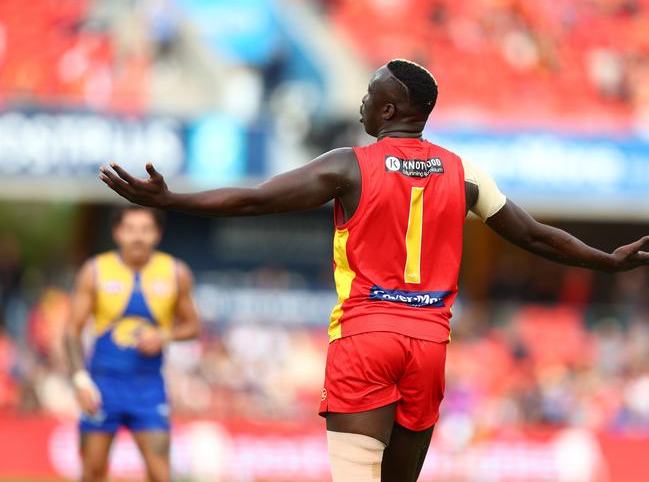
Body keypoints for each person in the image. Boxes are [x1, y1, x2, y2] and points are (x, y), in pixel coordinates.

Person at [98, 59, 649, 482]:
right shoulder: (465, 173)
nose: (362, 102)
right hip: (429, 343)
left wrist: (172, 200)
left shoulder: (348, 165)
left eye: (369, 95)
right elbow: (531, 235)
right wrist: (604, 260)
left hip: (365, 336)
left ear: (388, 111)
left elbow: (254, 200)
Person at [64, 206, 200, 482]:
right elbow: (71, 331)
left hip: (148, 387)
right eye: (130, 230)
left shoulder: (176, 273)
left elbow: (193, 326)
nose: (138, 237)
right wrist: (80, 380)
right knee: (92, 472)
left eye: (145, 230)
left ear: (157, 234)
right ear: (117, 233)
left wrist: (164, 336)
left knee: (161, 473)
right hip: (102, 385)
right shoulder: (95, 271)